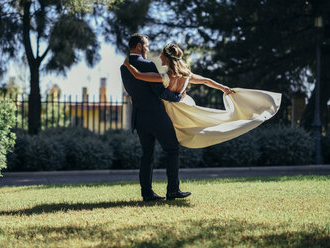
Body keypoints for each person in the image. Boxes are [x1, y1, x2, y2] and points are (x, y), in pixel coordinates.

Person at [123, 43, 282, 149]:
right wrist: (224, 88)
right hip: (185, 107)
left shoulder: (164, 77)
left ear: (167, 58)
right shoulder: (186, 75)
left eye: (162, 55)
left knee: (187, 135)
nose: (159, 58)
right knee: (211, 122)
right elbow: (206, 81)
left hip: (173, 113)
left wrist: (127, 64)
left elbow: (138, 76)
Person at [120, 34, 191, 202]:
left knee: (147, 155)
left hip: (139, 118)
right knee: (172, 149)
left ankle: (147, 193)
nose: (148, 48)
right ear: (138, 46)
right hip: (157, 116)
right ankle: (173, 190)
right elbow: (159, 92)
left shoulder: (124, 67)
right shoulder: (147, 65)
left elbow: (132, 93)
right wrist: (178, 97)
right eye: (147, 45)